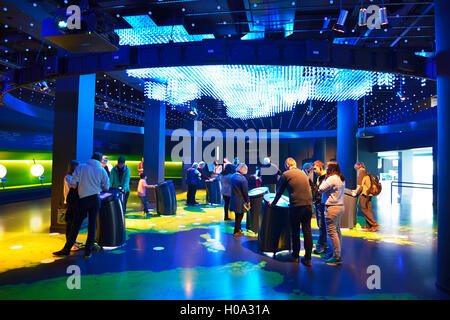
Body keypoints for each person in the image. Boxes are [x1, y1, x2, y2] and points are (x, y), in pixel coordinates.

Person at [53, 152, 109, 259]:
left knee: (76, 225)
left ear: (91, 158)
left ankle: (66, 249)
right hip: (95, 199)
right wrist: (96, 188)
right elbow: (106, 187)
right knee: (92, 225)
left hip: (83, 200)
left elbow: (73, 184)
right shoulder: (102, 170)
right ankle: (88, 252)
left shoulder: (81, 167)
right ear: (100, 160)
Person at [269, 157, 313, 267]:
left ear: (287, 165)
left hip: (296, 206)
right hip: (308, 206)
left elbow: (279, 191)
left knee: (295, 232)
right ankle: (307, 258)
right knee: (307, 231)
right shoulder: (303, 173)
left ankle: (295, 256)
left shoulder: (286, 174)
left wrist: (273, 203)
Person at [318, 161, 345, 266]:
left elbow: (321, 189)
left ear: (331, 168)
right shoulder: (340, 178)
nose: (326, 168)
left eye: (327, 166)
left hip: (332, 207)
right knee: (337, 231)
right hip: (340, 206)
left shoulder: (331, 178)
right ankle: (337, 253)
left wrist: (325, 179)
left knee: (332, 232)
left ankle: (337, 257)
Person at [352, 162, 380, 232]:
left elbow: (360, 186)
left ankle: (375, 224)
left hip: (364, 194)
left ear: (358, 166)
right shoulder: (367, 172)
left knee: (364, 209)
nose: (356, 169)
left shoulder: (361, 173)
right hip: (370, 194)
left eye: (356, 167)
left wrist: (355, 192)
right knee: (368, 210)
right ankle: (368, 226)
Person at [63, 160, 81, 248]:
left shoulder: (73, 177)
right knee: (70, 223)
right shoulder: (68, 177)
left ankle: (73, 240)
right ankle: (69, 242)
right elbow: (72, 188)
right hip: (70, 202)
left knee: (74, 223)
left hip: (75, 202)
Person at [312, 160, 328, 254]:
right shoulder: (320, 177)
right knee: (321, 225)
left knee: (322, 225)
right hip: (319, 203)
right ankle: (323, 243)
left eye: (315, 168)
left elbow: (322, 191)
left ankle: (322, 245)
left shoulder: (325, 177)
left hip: (321, 204)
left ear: (320, 167)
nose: (314, 171)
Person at [230, 163, 249, 238]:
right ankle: (236, 231)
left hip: (234, 198)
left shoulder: (233, 176)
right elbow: (245, 191)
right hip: (240, 200)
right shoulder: (242, 179)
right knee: (239, 216)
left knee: (237, 215)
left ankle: (239, 229)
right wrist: (248, 201)